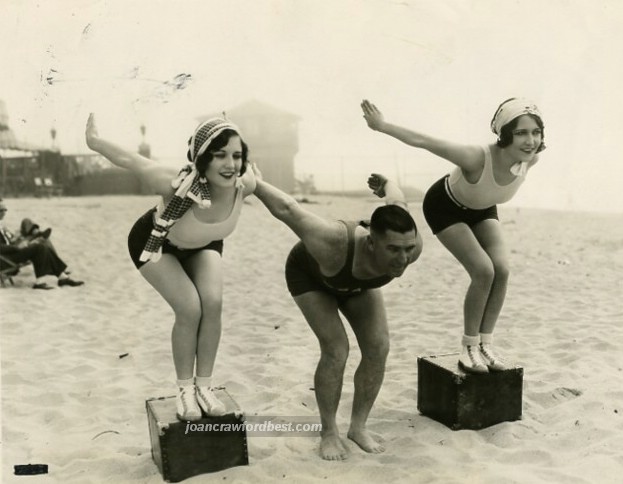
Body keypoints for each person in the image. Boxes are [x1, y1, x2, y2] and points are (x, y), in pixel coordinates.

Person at [85, 113, 256, 421]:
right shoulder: (174, 181)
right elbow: (132, 160)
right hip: (156, 242)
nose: (230, 164)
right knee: (190, 309)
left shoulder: (246, 185)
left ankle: (204, 387)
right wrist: (95, 142)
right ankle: (184, 391)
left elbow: (279, 200)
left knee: (213, 304)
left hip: (203, 244)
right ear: (202, 157)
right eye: (219, 156)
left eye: (236, 155)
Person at [361, 97, 546, 374]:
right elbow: (425, 141)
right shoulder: (475, 157)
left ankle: (486, 344)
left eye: (535, 132)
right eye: (521, 132)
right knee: (483, 271)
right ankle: (469, 346)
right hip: (444, 207)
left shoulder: (530, 160)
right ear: (505, 133)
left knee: (502, 270)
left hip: (481, 208)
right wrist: (382, 126)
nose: (530, 140)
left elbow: (488, 195)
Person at [253, 169, 423, 460]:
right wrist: (253, 182)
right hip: (311, 276)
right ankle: (328, 432)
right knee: (336, 349)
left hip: (357, 284)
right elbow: (287, 208)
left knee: (378, 347)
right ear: (371, 241)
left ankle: (358, 428)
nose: (403, 259)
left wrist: (386, 184)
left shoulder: (411, 245)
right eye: (393, 249)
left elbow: (397, 201)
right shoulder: (332, 240)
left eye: (408, 249)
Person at [0, 198, 84, 289]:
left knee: (41, 241)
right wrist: (17, 247)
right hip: (6, 259)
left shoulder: (1, 225)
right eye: (2, 210)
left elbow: (5, 240)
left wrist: (14, 237)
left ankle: (62, 278)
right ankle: (42, 282)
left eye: (5, 209)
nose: (4, 212)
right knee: (40, 247)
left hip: (12, 250)